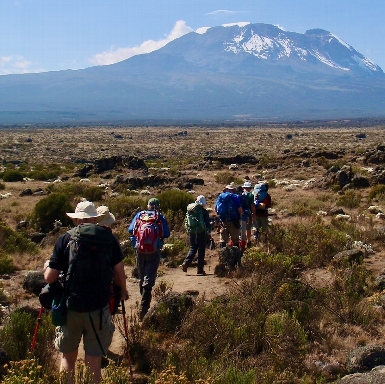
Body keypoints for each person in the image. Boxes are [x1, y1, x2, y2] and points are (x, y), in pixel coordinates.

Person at [44, 200, 128, 384]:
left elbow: (50, 277)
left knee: (67, 357)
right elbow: (119, 273)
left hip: (71, 307)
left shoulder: (65, 239)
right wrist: (122, 292)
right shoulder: (108, 239)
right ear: (95, 219)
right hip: (98, 307)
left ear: (76, 220)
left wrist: (46, 268)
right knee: (94, 360)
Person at [128, 198, 170, 320]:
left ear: (148, 206)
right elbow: (166, 234)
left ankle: (143, 299)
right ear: (158, 206)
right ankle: (143, 307)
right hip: (154, 249)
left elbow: (131, 230)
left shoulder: (140, 215)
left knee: (141, 274)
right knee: (149, 276)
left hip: (140, 249)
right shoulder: (159, 217)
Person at [181, 195, 211, 275]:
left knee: (193, 248)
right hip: (201, 232)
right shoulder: (203, 211)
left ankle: (186, 263)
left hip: (192, 232)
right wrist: (209, 230)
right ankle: (200, 270)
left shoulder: (190, 210)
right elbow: (207, 223)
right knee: (201, 251)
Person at [215, 183, 243, 248]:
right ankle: (235, 255)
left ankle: (222, 254)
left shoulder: (220, 196)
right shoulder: (235, 197)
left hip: (223, 221)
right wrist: (240, 215)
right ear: (233, 190)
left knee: (223, 240)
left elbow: (216, 209)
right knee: (235, 239)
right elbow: (240, 209)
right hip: (233, 221)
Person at [240, 181, 256, 249]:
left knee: (241, 229)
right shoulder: (250, 195)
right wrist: (254, 214)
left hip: (240, 213)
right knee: (248, 228)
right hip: (248, 213)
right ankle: (248, 241)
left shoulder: (240, 194)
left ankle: (242, 242)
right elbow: (252, 205)